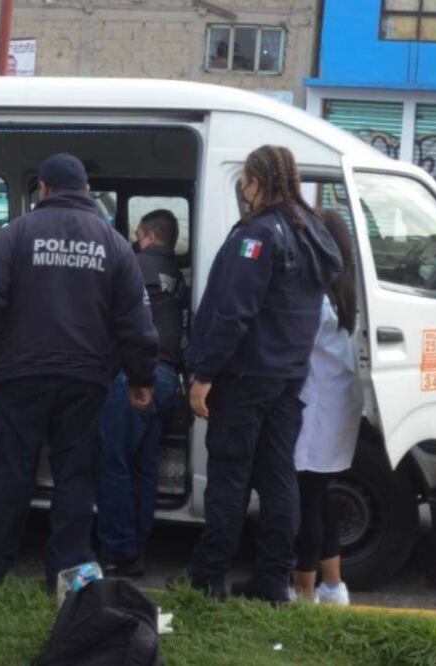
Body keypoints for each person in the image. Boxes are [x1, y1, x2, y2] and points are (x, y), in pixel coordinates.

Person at [0, 153, 158, 590]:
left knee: (9, 473)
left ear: (42, 189)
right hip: (86, 382)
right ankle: (65, 577)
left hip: (20, 376)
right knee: (76, 479)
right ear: (84, 192)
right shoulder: (114, 243)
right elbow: (136, 322)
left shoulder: (15, 234)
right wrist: (141, 378)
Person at [184, 144, 341, 603]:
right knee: (279, 481)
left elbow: (233, 312)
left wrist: (204, 373)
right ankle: (274, 582)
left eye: (245, 182)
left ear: (256, 181)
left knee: (230, 477)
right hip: (289, 377)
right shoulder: (310, 228)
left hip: (245, 378)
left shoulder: (259, 234)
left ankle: (209, 578)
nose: (244, 191)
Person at [96, 210, 186, 577]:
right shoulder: (177, 276)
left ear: (147, 235)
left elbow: (121, 324)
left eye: (137, 234)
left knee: (113, 460)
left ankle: (119, 550)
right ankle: (137, 544)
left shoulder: (133, 266)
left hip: (137, 377)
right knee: (144, 465)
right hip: (168, 377)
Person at [292, 209, 362, 606]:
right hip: (336, 408)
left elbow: (295, 347)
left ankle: (303, 591)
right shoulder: (345, 290)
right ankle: (333, 586)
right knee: (320, 497)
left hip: (316, 410)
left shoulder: (317, 297)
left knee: (305, 504)